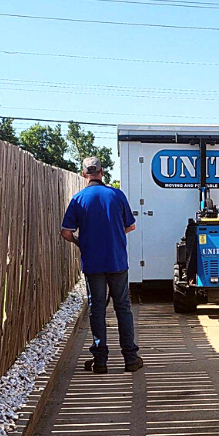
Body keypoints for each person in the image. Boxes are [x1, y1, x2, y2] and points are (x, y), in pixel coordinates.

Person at [60, 156, 143, 374]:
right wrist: (114, 234)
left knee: (97, 309)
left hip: (93, 262)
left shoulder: (78, 199)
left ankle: (100, 361)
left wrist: (82, 242)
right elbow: (131, 226)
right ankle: (131, 359)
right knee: (123, 307)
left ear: (84, 173)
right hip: (117, 261)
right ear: (102, 172)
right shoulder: (117, 195)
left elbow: (66, 233)